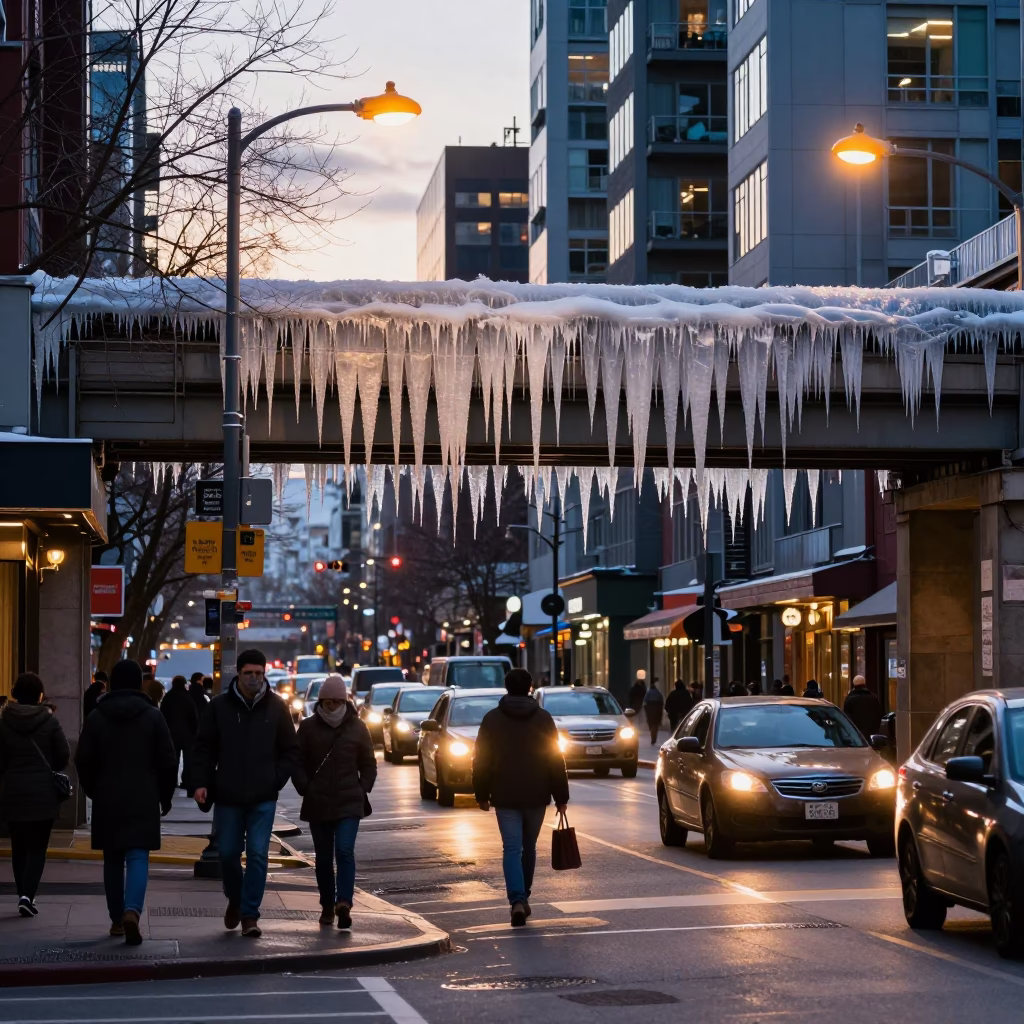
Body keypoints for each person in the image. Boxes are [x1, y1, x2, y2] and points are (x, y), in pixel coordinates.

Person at [192, 649, 299, 938]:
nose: (254, 678)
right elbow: (204, 747)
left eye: (259, 673)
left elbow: (290, 749)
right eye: (249, 673)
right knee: (227, 854)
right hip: (227, 795)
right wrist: (201, 782)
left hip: (263, 796)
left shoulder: (277, 707)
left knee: (257, 854)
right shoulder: (219, 707)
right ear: (238, 674)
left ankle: (250, 915)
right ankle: (235, 899)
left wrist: (275, 779)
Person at [75, 659, 177, 945]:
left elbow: (83, 759)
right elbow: (168, 761)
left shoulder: (96, 717)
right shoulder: (153, 716)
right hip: (143, 795)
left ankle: (116, 919)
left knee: (113, 857)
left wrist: (94, 789)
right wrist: (164, 795)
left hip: (108, 794)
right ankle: (133, 910)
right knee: (137, 856)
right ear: (138, 683)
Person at [473, 668, 569, 928]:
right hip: (537, 793)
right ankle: (523, 895)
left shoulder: (492, 719)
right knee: (529, 847)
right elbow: (554, 759)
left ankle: (516, 899)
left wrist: (481, 793)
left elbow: (481, 760)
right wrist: (561, 796)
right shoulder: (543, 719)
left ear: (506, 687)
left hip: (504, 794)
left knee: (511, 848)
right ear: (530, 688)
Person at [293, 674, 376, 929]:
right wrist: (305, 786)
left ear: (344, 701)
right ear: (320, 702)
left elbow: (368, 764)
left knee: (344, 850)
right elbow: (296, 762)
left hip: (349, 801)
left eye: (336, 702)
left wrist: (362, 788)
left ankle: (344, 903)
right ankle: (327, 905)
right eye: (327, 702)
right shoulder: (307, 728)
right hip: (318, 802)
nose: (331, 707)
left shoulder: (358, 727)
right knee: (323, 857)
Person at [0, 672, 70, 917]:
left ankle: (23, 894)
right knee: (38, 847)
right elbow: (63, 756)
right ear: (39, 694)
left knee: (18, 846)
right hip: (42, 793)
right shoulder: (49, 721)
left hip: (13, 791)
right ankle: (28, 895)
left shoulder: (4, 719)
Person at [160, 675, 200, 790]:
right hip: (187, 734)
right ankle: (188, 782)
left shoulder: (168, 697)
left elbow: (163, 715)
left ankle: (172, 782)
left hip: (171, 734)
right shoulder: (188, 698)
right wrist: (195, 732)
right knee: (188, 760)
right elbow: (194, 717)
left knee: (173, 759)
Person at [844, 674, 883, 739]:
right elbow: (879, 715)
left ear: (854, 685)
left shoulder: (850, 699)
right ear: (864, 684)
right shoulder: (873, 698)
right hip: (872, 735)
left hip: (856, 736)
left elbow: (847, 717)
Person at [642, 679, 665, 744]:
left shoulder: (648, 692)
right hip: (657, 709)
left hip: (650, 709)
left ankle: (653, 736)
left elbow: (645, 700)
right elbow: (662, 702)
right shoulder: (658, 692)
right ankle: (654, 737)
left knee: (651, 723)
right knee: (656, 724)